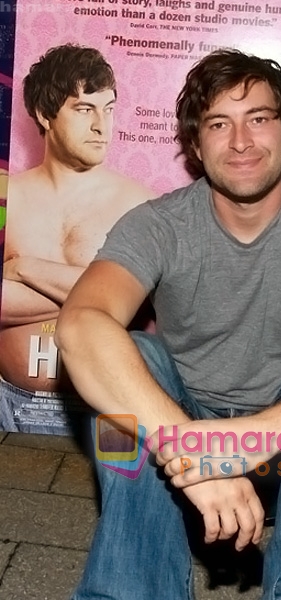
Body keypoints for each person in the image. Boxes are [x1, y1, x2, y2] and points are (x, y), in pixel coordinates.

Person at [55, 49, 281, 600]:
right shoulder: (159, 223)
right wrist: (190, 446)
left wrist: (237, 444)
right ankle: (130, 591)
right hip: (180, 423)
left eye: (259, 119)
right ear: (195, 146)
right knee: (128, 363)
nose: (241, 141)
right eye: (219, 124)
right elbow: (80, 325)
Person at [0, 44, 154, 434]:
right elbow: (115, 297)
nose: (103, 126)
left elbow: (143, 298)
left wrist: (24, 267)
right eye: (85, 109)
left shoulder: (140, 204)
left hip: (108, 409)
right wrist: (94, 288)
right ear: (43, 114)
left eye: (110, 108)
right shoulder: (6, 197)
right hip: (7, 403)